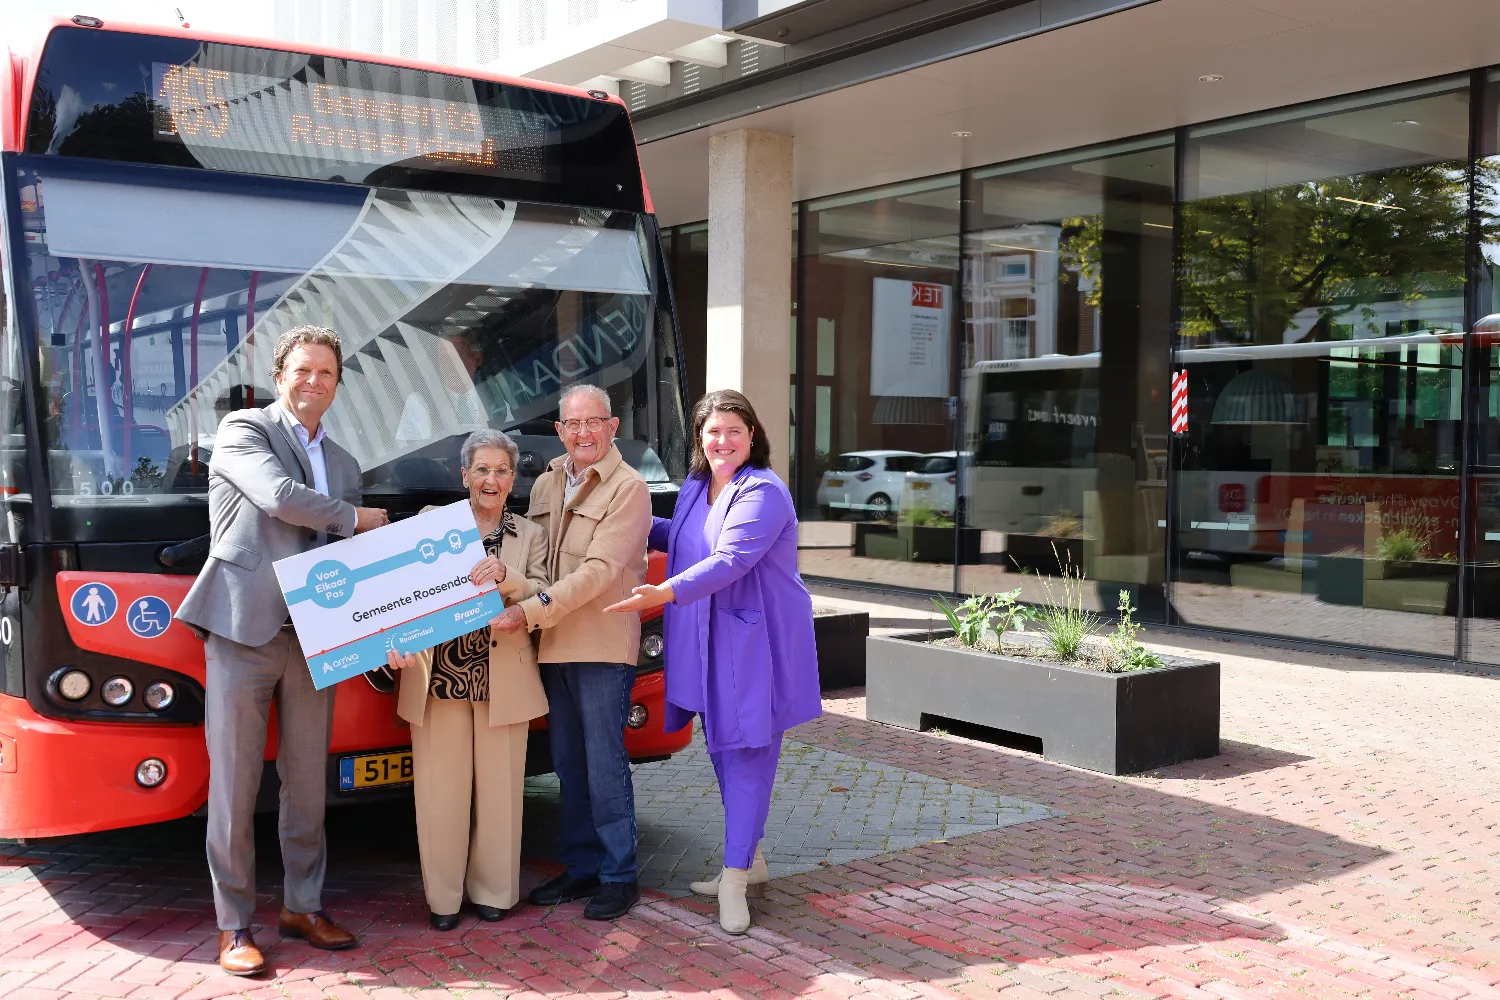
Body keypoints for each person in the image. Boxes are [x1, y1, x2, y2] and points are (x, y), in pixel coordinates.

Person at [176, 326, 389, 976]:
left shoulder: (348, 463)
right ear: (280, 375)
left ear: (337, 383)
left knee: (307, 784)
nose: (313, 382)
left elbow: (351, 562)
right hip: (245, 628)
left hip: (315, 636)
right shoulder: (244, 430)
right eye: (302, 370)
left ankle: (302, 906)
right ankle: (234, 924)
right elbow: (277, 497)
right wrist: (357, 518)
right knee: (235, 783)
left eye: (326, 373)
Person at [605, 389, 820, 934]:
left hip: (754, 649)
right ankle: (750, 859)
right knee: (724, 750)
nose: (722, 440)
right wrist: (617, 515)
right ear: (698, 439)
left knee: (746, 753)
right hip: (706, 642)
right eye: (712, 431)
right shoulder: (698, 488)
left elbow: (729, 560)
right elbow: (677, 537)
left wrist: (660, 594)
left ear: (753, 437)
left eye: (734, 430)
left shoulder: (765, 492)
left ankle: (733, 877)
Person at [491, 383, 651, 921]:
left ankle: (618, 875)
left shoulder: (629, 489)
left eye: (593, 422)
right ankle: (582, 867)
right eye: (572, 424)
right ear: (559, 431)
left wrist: (529, 609)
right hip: (551, 643)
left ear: (612, 426)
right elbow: (533, 558)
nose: (583, 433)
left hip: (601, 644)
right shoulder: (545, 483)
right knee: (568, 763)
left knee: (605, 762)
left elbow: (600, 573)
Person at [383, 429, 549, 930]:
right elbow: (396, 587)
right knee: (440, 796)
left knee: (501, 795)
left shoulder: (530, 535)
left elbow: (545, 592)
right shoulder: (433, 523)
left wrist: (509, 578)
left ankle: (495, 892)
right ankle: (443, 901)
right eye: (482, 470)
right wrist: (387, 640)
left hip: (503, 682)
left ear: (513, 478)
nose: (491, 479)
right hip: (437, 682)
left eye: (501, 470)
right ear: (464, 476)